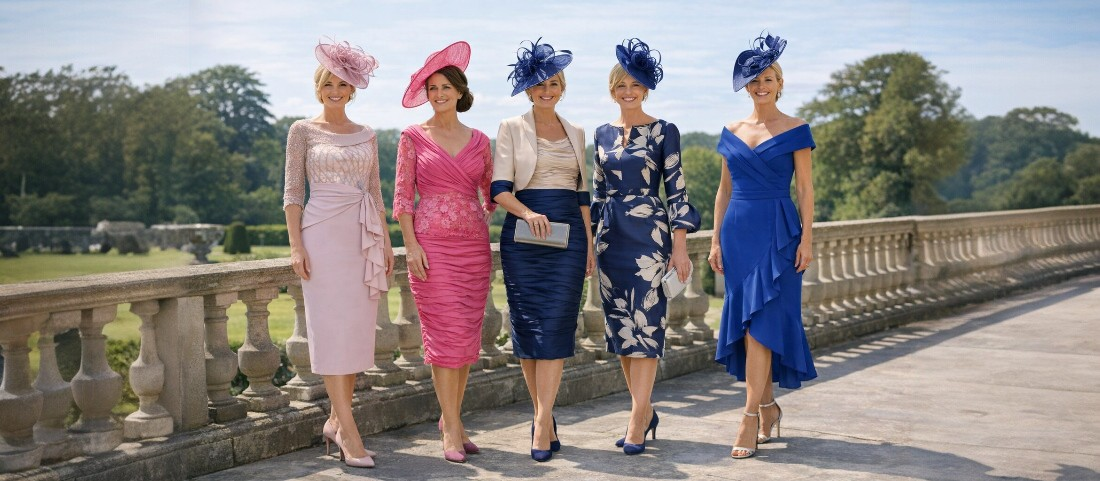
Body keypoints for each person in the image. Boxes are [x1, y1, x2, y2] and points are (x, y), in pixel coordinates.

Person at [708, 32, 819, 460]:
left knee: (762, 327)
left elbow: (806, 190)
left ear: (779, 82)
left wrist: (807, 238)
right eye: (754, 79)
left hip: (778, 233)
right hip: (738, 233)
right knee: (752, 326)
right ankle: (768, 407)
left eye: (768, 78)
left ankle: (749, 417)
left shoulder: (797, 129)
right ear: (745, 85)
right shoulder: (731, 130)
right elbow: (722, 191)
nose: (761, 85)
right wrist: (716, 238)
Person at [283, 37, 393, 469]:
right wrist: (296, 245)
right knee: (330, 331)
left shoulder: (367, 134)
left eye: (343, 84)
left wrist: (384, 242)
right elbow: (292, 193)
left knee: (354, 332)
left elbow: (376, 193)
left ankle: (335, 419)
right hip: (321, 238)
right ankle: (349, 430)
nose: (335, 90)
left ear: (352, 89)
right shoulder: (302, 131)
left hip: (361, 237)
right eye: (329, 82)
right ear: (319, 86)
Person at [591, 38, 700, 456]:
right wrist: (593, 241)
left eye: (635, 84)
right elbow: (598, 192)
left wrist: (680, 246)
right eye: (621, 85)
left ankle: (637, 419)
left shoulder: (663, 131)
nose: (628, 92)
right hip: (610, 237)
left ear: (646, 88)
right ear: (612, 89)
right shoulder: (600, 133)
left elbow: (677, 191)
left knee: (647, 324)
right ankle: (644, 408)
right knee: (621, 326)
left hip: (650, 237)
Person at [492, 38, 595, 462]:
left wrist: (588, 245)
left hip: (568, 237)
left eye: (553, 83)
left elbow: (583, 194)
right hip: (524, 238)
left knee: (556, 327)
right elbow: (499, 190)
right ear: (528, 90)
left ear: (562, 86)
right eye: (539, 84)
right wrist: (528, 211)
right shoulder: (510, 128)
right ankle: (544, 419)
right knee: (530, 330)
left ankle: (540, 419)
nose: (547, 90)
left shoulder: (577, 131)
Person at [392, 41, 494, 464]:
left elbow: (494, 193)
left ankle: (453, 419)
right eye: (431, 88)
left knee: (465, 339)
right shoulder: (412, 137)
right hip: (430, 249)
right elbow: (401, 197)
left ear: (459, 91)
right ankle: (450, 427)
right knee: (443, 336)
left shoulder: (481, 140)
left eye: (445, 87)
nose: (438, 94)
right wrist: (411, 245)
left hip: (474, 248)